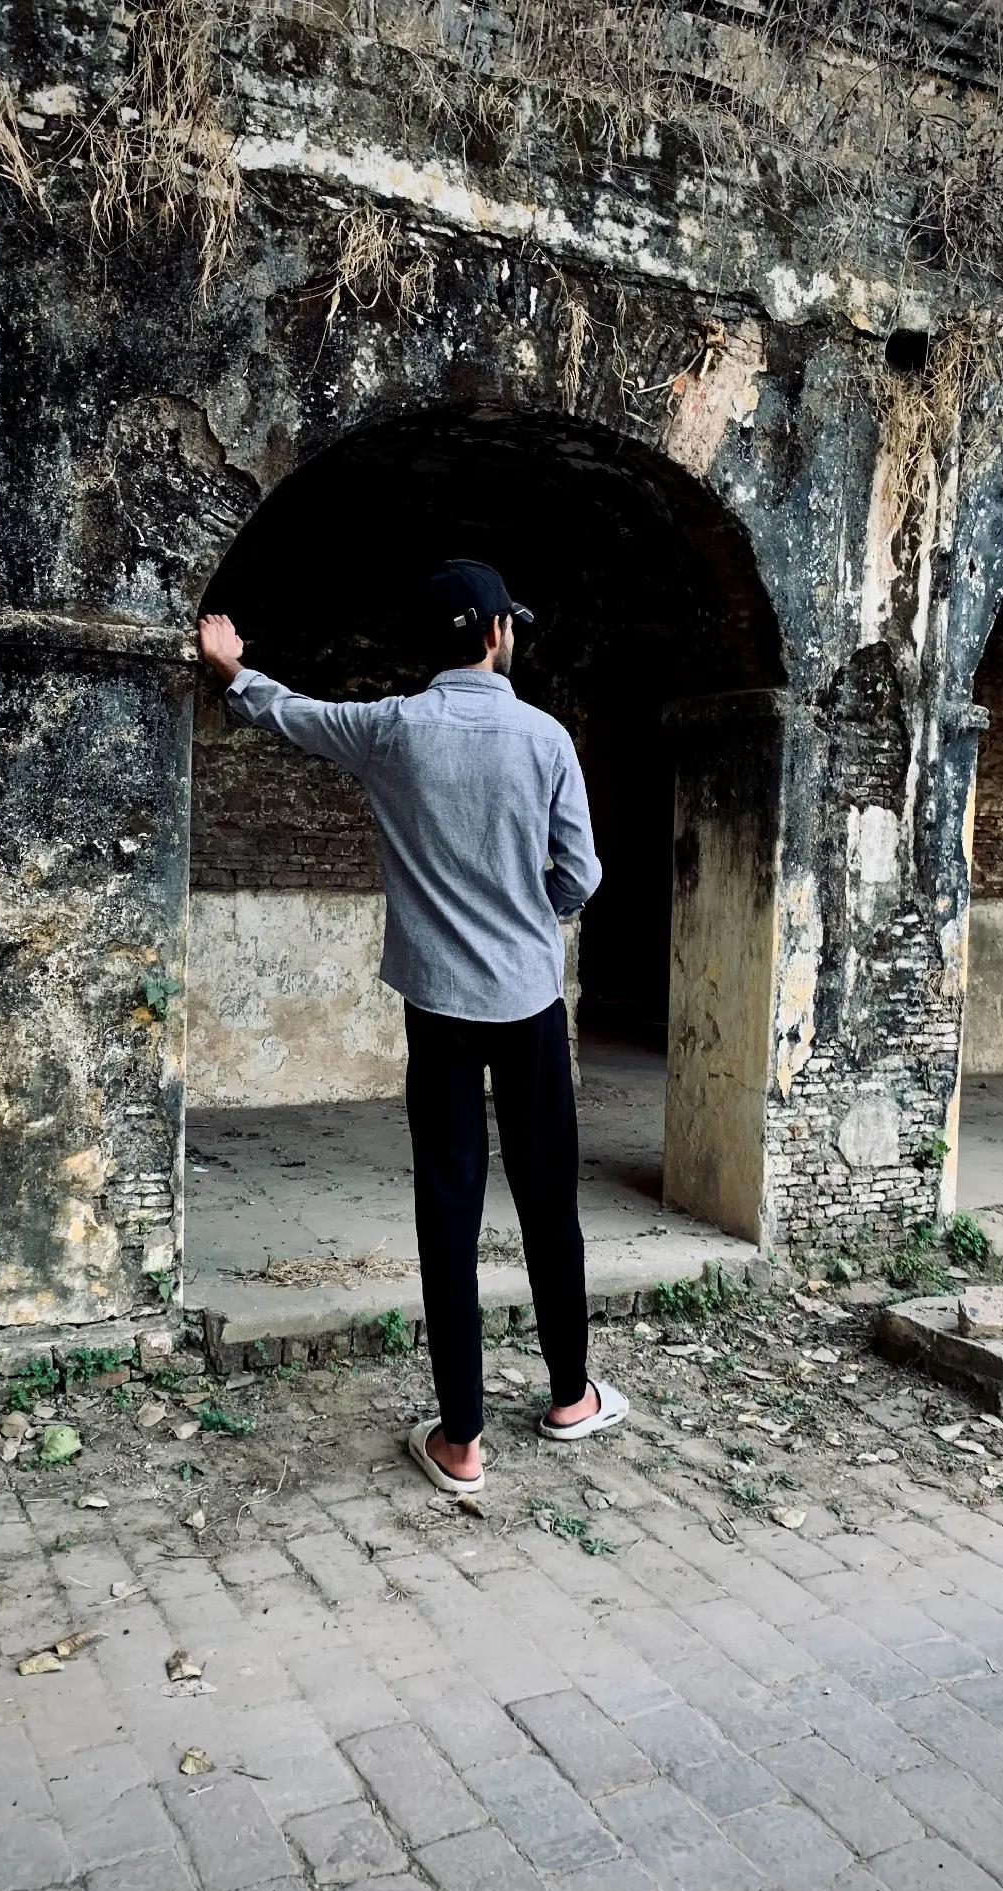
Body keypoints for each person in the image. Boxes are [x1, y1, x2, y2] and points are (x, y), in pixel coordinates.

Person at [198, 560, 628, 1494]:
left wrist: (233, 672)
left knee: (448, 1207)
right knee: (548, 1199)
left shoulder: (392, 730)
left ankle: (462, 1441)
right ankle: (570, 1397)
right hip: (528, 1002)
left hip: (438, 1008)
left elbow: (295, 714)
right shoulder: (546, 738)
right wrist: (531, 915)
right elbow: (582, 875)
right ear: (497, 634)